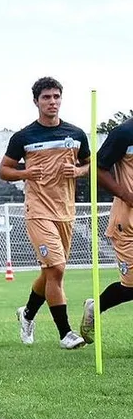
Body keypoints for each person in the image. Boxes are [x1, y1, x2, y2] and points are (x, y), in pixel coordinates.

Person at [0, 77, 89, 350]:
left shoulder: (76, 134)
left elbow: (90, 164)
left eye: (56, 96)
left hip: (65, 210)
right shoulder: (24, 137)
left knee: (50, 271)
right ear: (36, 101)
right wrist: (25, 173)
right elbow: (4, 170)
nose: (52, 102)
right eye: (46, 97)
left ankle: (27, 314)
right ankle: (66, 333)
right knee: (57, 269)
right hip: (37, 210)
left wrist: (78, 171)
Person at [81, 116, 133, 343]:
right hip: (128, 222)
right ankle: (96, 307)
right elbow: (97, 169)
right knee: (131, 287)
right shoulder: (125, 132)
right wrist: (126, 195)